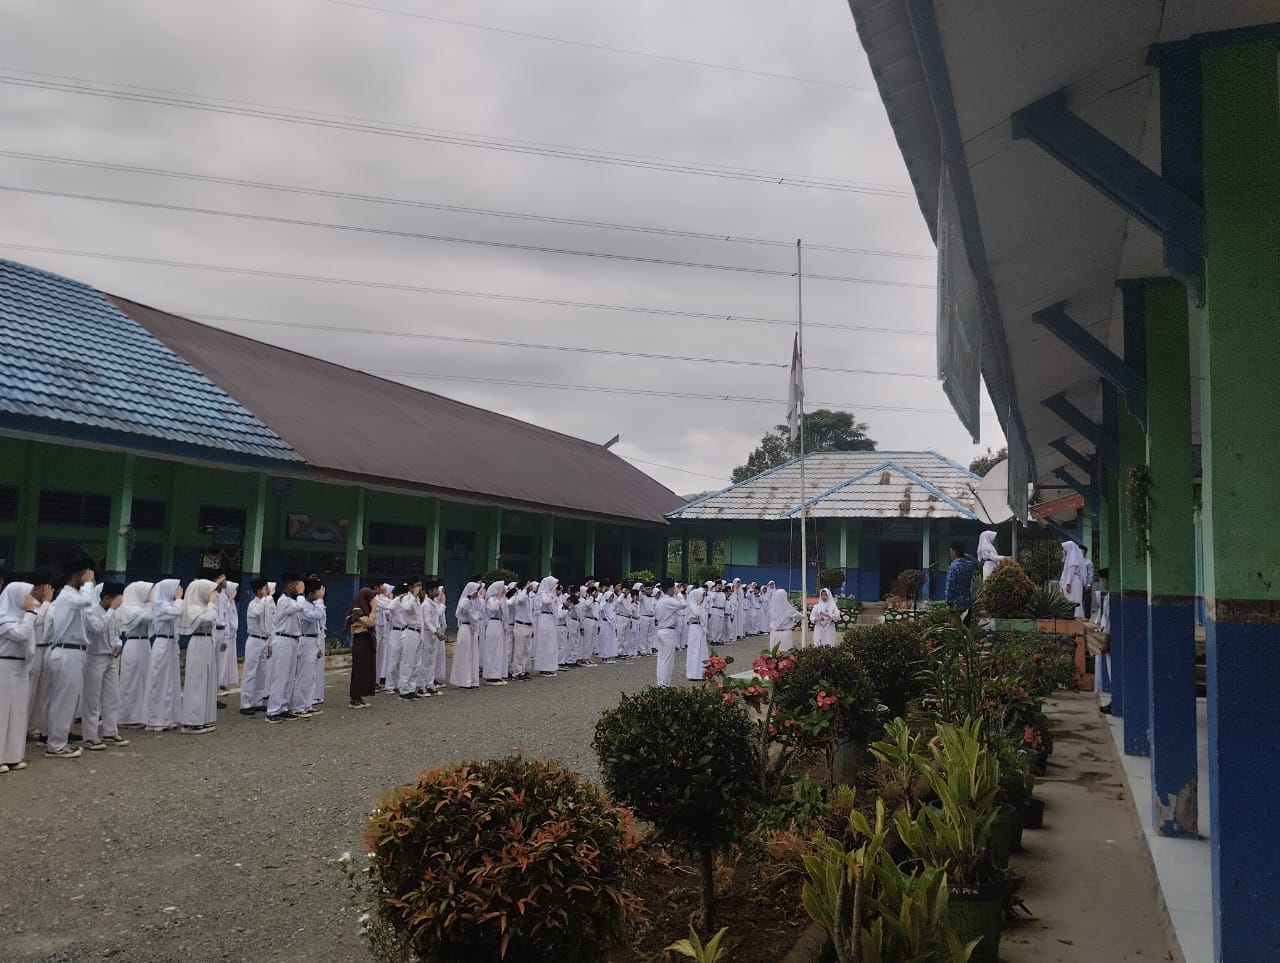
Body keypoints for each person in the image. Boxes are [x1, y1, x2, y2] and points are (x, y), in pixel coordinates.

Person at [44, 556, 99, 758]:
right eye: (85, 575)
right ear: (77, 576)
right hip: (67, 652)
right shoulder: (69, 596)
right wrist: (88, 583)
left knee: (67, 700)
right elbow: (85, 600)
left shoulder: (73, 598)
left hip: (74, 652)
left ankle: (57, 739)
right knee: (63, 701)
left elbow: (93, 623)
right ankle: (56, 745)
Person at [0, 576, 49, 772]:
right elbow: (21, 634)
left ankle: (13, 755)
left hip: (20, 667)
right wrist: (30, 612)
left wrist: (31, 612)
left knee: (18, 712)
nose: (30, 599)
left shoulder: (23, 616)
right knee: (2, 712)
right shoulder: (3, 616)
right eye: (27, 596)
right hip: (5, 665)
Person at [82, 580, 130, 749]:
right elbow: (97, 628)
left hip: (111, 657)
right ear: (107, 597)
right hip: (95, 657)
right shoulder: (91, 611)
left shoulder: (114, 613)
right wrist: (110, 610)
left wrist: (119, 644)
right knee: (92, 698)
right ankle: (90, 735)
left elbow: (117, 632)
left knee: (112, 696)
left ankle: (110, 731)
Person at [179, 577, 221, 734]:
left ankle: (202, 718)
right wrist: (211, 603)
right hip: (198, 642)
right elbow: (207, 618)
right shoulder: (194, 608)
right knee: (197, 681)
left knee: (206, 681)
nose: (213, 594)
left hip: (207, 642)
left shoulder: (202, 607)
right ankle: (192, 721)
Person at [264, 573, 305, 724]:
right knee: (280, 675)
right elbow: (301, 606)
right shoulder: (283, 601)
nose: (300, 587)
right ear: (290, 585)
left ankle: (283, 707)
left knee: (289, 676)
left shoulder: (289, 601)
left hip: (292, 640)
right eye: (297, 584)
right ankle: (273, 710)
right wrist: (301, 593)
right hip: (283, 639)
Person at [145, 577, 184, 731]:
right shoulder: (160, 606)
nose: (178, 591)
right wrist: (179, 599)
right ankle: (156, 718)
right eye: (176, 588)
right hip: (161, 643)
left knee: (171, 681)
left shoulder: (169, 604)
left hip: (171, 643)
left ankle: (169, 717)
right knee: (159, 681)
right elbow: (177, 611)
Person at [115, 581, 153, 728]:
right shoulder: (129, 608)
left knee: (143, 679)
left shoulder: (142, 607)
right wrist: (150, 604)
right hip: (134, 644)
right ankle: (128, 716)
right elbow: (147, 616)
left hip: (144, 644)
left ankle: (141, 715)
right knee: (132, 681)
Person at [292, 578, 326, 716]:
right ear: (311, 593)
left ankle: (307, 704)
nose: (321, 594)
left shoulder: (312, 605)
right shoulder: (304, 606)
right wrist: (320, 601)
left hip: (313, 640)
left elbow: (319, 623)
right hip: (305, 640)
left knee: (311, 675)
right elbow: (316, 616)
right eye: (319, 591)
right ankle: (299, 706)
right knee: (303, 675)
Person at [240, 577, 273, 715]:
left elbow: (270, 624)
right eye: (265, 588)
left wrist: (270, 643)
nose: (268, 591)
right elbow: (257, 612)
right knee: (250, 672)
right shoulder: (254, 604)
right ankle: (245, 703)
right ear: (259, 590)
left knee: (262, 672)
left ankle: (257, 701)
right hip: (254, 640)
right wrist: (266, 598)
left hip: (264, 640)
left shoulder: (267, 604)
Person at [346, 586, 378, 708]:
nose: (374, 601)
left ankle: (360, 696)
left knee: (365, 669)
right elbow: (370, 622)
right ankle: (355, 698)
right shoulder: (358, 611)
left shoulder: (365, 610)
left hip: (367, 639)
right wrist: (374, 609)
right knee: (359, 669)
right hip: (361, 640)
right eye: (372, 598)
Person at [449, 581, 481, 689]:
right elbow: (462, 608)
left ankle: (472, 680)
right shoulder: (465, 600)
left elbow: (477, 615)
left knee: (473, 655)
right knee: (465, 655)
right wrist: (469, 596)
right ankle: (463, 681)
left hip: (472, 630)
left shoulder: (476, 602)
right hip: (465, 628)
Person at [654, 583, 685, 687]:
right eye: (673, 589)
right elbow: (683, 604)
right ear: (670, 589)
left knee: (661, 659)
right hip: (668, 631)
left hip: (661, 630)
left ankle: (660, 682)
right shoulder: (669, 600)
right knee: (667, 660)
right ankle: (665, 684)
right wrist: (679, 594)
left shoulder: (660, 601)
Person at [944, 543, 978, 612]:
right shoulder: (969, 565)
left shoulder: (953, 567)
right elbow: (976, 562)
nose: (950, 554)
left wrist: (948, 602)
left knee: (957, 622)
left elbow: (950, 586)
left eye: (951, 551)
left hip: (956, 603)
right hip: (967, 601)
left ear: (954, 552)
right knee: (966, 622)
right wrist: (964, 554)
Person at [684, 587, 709, 681]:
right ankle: (693, 674)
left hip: (700, 629)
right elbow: (697, 613)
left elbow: (704, 615)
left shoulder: (700, 606)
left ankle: (702, 673)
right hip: (694, 628)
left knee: (701, 650)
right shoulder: (692, 605)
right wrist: (699, 605)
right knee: (694, 651)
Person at [1059, 541, 1085, 619]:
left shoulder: (1073, 560)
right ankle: (1072, 615)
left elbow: (1071, 573)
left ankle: (1074, 616)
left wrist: (1068, 584)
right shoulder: (1070, 558)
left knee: (1072, 599)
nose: (1063, 551)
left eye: (1064, 549)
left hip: (1072, 583)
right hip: (1072, 582)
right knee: (1071, 599)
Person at [1081, 546, 1095, 620]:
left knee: (1087, 601)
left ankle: (1087, 616)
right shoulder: (1077, 561)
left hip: (1086, 585)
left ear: (1085, 553)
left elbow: (1091, 574)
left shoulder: (1088, 562)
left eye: (1082, 552)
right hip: (1078, 585)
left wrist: (1089, 584)